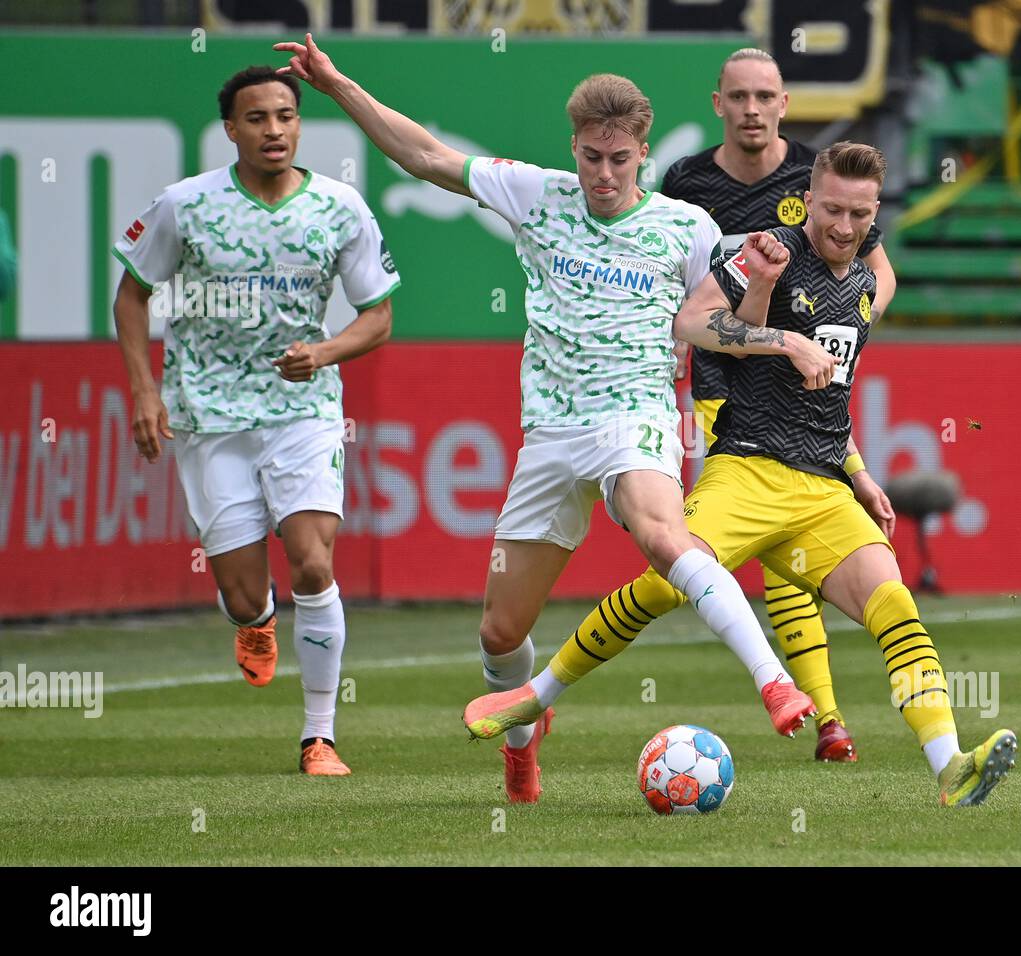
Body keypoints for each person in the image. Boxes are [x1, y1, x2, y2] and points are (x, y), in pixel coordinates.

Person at [274, 35, 816, 803]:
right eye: (592, 157)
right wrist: (337, 86)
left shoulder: (686, 227)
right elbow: (426, 156)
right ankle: (523, 749)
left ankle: (774, 685)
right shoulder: (538, 193)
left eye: (619, 159)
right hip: (552, 436)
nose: (603, 173)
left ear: (642, 153)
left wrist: (765, 303)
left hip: (637, 417)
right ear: (575, 149)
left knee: (663, 534)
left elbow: (709, 325)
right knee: (500, 632)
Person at [465, 142, 1018, 807]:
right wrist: (777, 321)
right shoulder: (768, 252)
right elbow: (694, 322)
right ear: (808, 199)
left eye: (860, 215)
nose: (844, 226)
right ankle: (534, 697)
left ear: (877, 217)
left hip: (821, 489)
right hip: (747, 469)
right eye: (833, 209)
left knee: (897, 607)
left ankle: (950, 768)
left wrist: (859, 471)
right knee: (664, 585)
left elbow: (827, 399)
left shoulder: (870, 285)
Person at [112, 66, 400, 775]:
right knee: (244, 591)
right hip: (208, 413)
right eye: (257, 119)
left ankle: (319, 737)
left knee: (312, 560)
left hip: (301, 410)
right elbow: (131, 296)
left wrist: (325, 351)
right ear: (231, 130)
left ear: (299, 124)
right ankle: (254, 622)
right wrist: (146, 392)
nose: (273, 130)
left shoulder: (340, 208)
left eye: (285, 116)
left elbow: (380, 318)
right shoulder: (186, 206)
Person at [668, 47, 900, 761]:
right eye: (738, 97)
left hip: (800, 379)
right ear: (719, 104)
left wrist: (849, 320)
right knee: (775, 549)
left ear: (784, 104)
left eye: (764, 96)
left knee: (785, 546)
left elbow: (877, 271)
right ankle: (824, 716)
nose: (752, 110)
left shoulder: (817, 175)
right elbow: (683, 288)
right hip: (718, 387)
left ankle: (825, 718)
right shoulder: (687, 184)